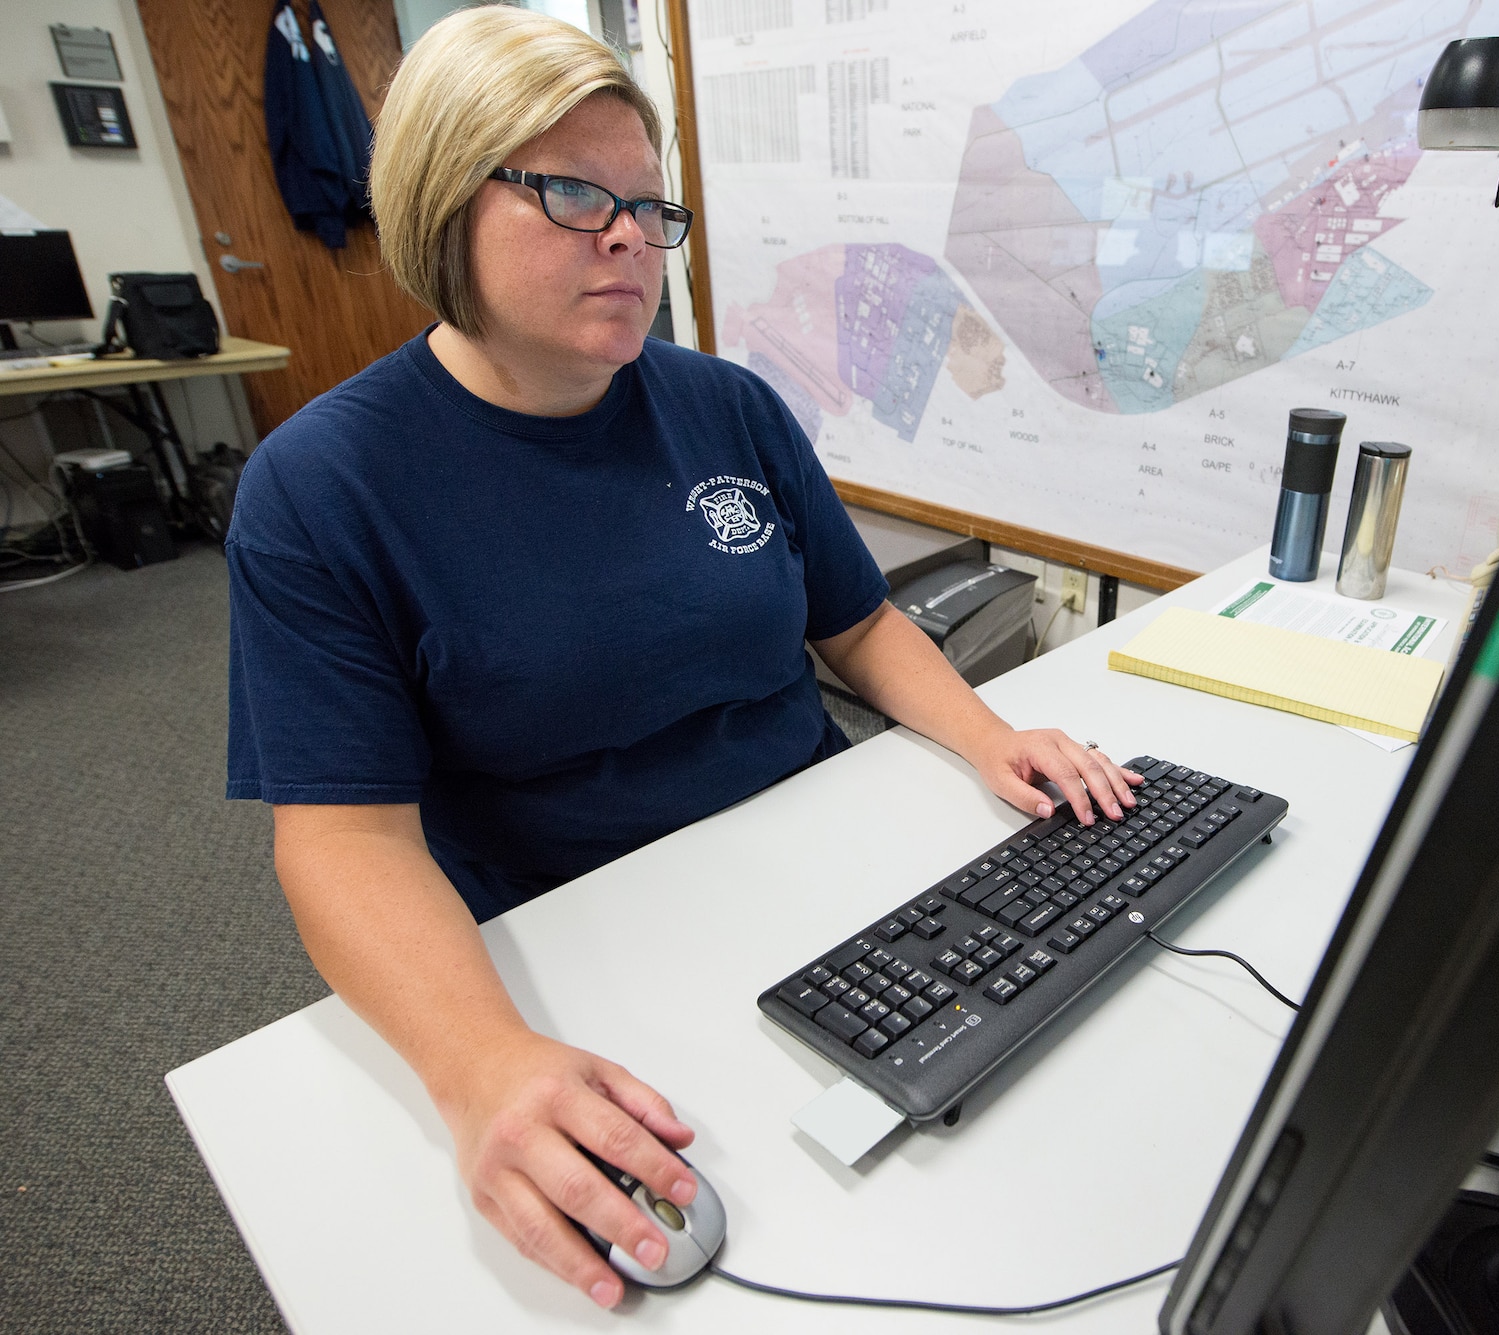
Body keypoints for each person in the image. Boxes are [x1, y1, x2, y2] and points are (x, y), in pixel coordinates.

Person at [224, 6, 1141, 1311]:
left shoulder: (725, 405)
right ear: (440, 206)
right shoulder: (325, 487)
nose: (626, 239)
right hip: (586, 933)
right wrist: (481, 1067)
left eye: (649, 208)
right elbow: (341, 840)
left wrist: (992, 739)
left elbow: (862, 624)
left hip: (818, 857)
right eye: (569, 194)